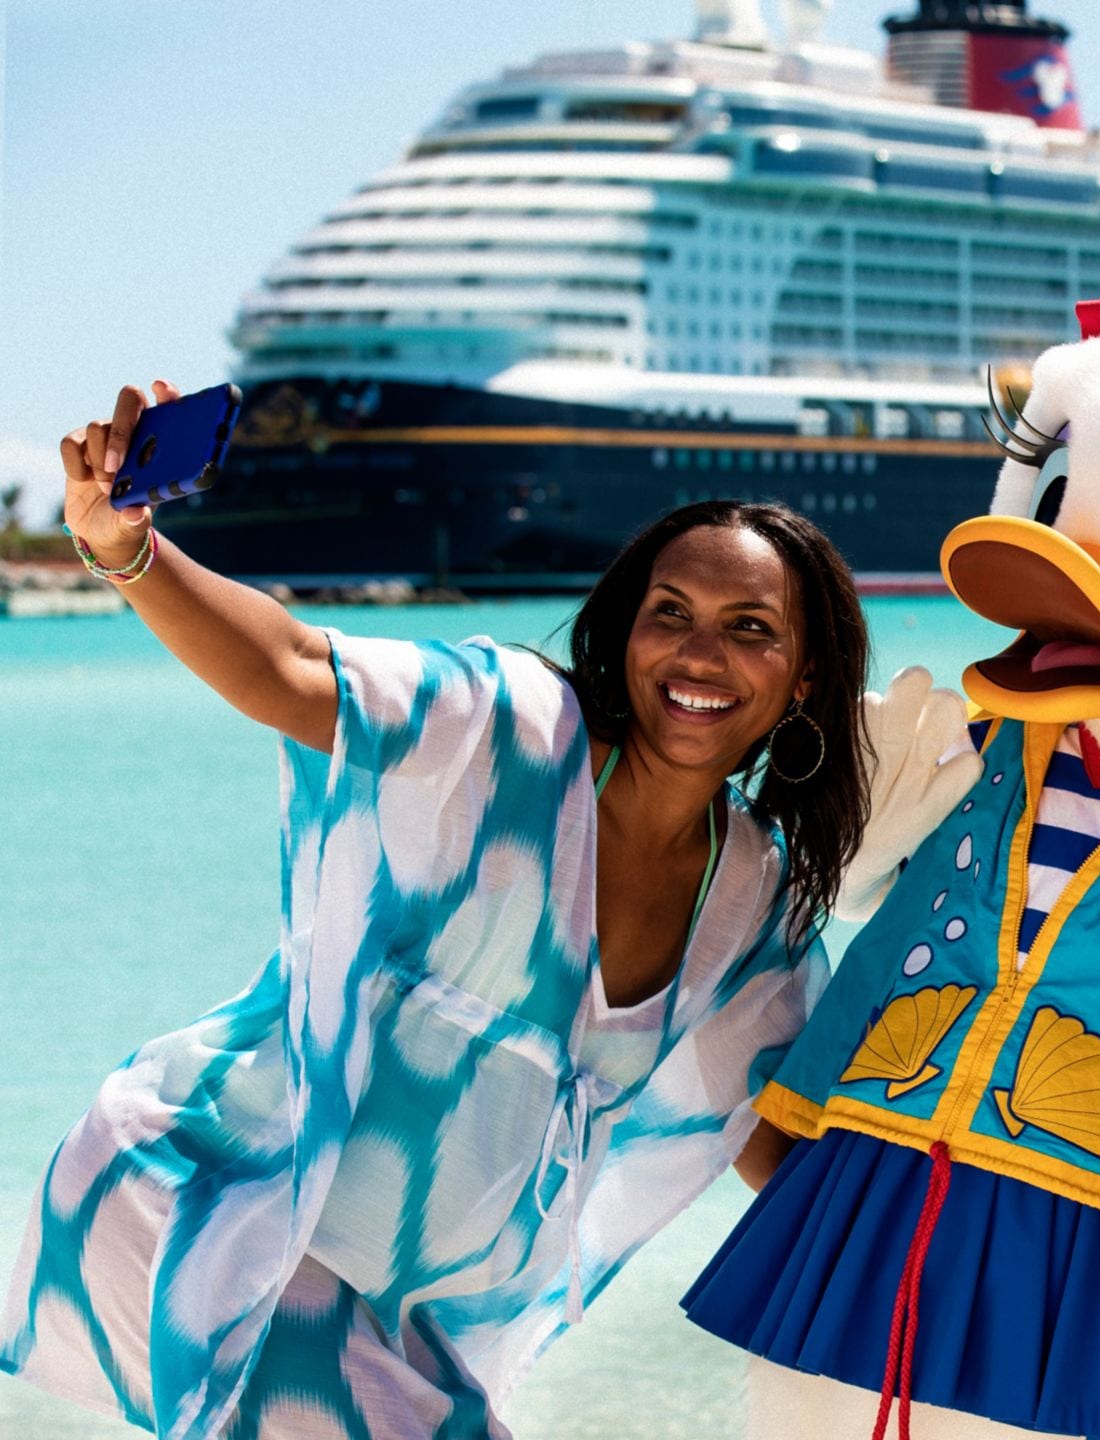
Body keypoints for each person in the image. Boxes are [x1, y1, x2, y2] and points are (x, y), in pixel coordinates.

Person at [1, 382, 877, 1438]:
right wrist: (121, 546)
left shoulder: (754, 918)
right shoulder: (504, 733)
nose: (700, 657)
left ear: (804, 676)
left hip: (406, 1334)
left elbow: (793, 1165)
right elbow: (287, 666)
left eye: (750, 629)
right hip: (234, 1222)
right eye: (670, 615)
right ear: (623, 630)